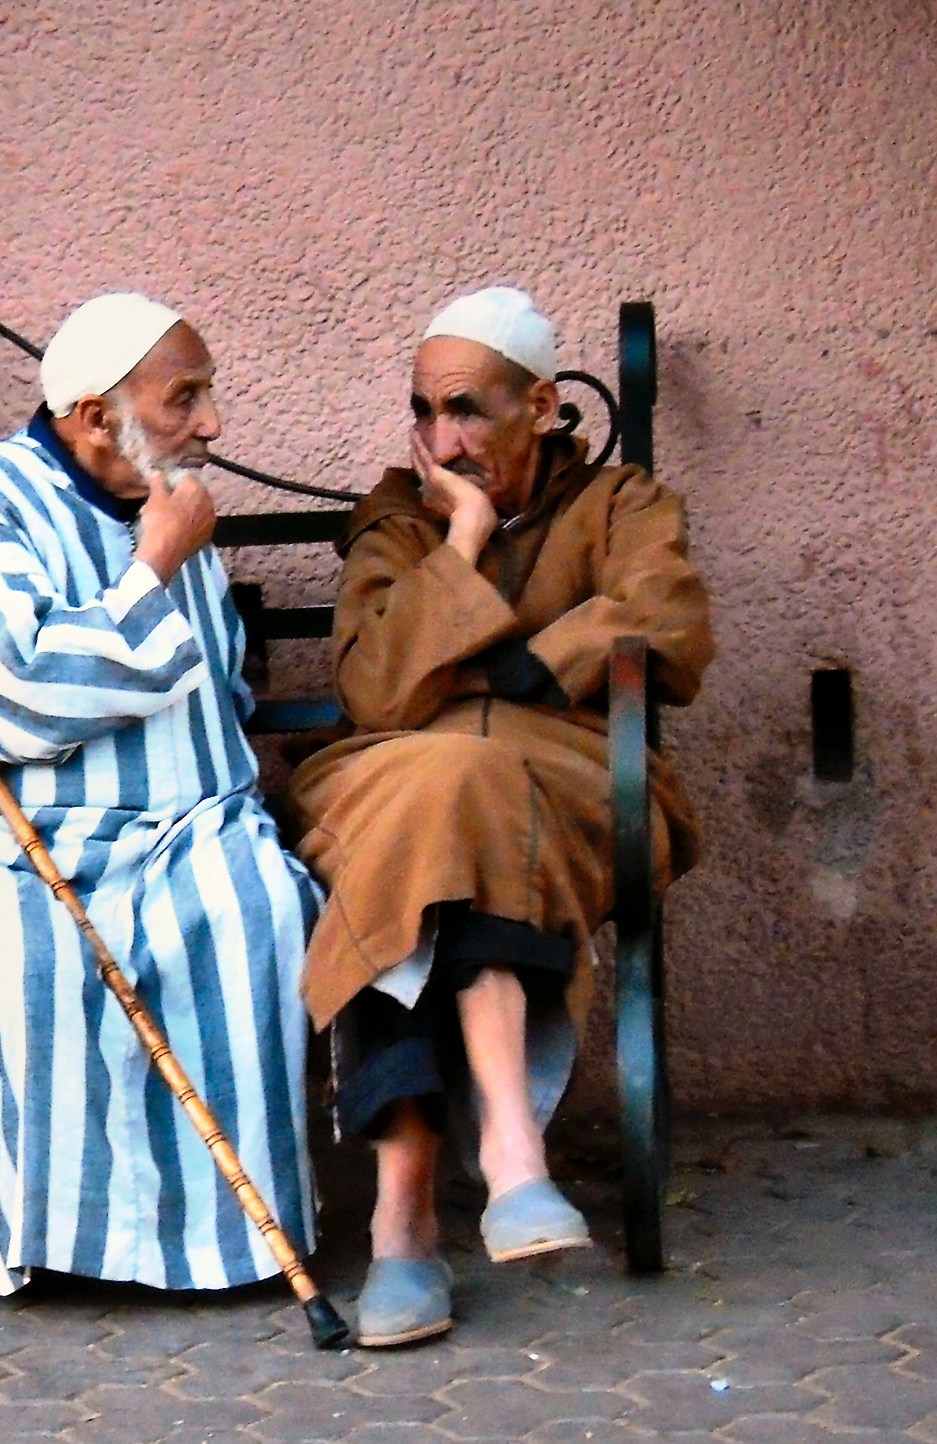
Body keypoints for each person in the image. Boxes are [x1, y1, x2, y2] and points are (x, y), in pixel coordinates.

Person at [0, 292, 319, 1299]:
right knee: (34, 955)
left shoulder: (174, 501)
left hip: (184, 816)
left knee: (254, 912)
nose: (211, 426)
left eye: (207, 396)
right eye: (183, 399)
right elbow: (18, 686)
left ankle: (225, 1243)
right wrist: (155, 565)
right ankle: (39, 1228)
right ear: (91, 416)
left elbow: (216, 681)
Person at [283, 286, 716, 1348]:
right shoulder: (396, 517)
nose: (444, 438)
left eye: (469, 409)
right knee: (441, 793)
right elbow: (381, 693)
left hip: (570, 784)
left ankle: (404, 1220)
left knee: (439, 817)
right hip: (393, 773)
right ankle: (512, 1156)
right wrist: (463, 543)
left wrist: (533, 660)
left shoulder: (622, 503)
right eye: (425, 412)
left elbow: (666, 621)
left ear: (548, 407)